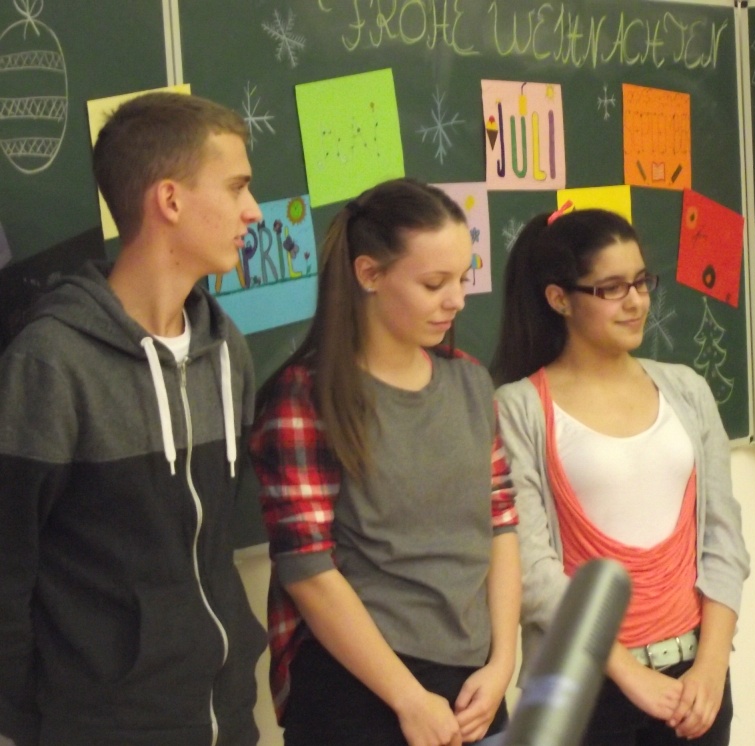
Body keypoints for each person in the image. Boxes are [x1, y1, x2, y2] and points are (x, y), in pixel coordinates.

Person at [0, 92, 267, 745]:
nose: (254, 211)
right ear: (169, 200)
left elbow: (217, 539)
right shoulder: (51, 363)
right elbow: (8, 568)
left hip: (226, 719)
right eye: (237, 187)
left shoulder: (225, 350)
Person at [249, 177, 519, 746]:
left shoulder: (470, 380)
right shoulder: (307, 395)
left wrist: (502, 664)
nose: (457, 300)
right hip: (360, 688)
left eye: (463, 278)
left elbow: (501, 522)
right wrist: (407, 698)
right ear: (369, 274)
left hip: (472, 684)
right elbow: (307, 569)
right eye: (434, 283)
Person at [492, 207, 750, 745]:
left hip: (693, 683)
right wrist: (631, 675)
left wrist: (711, 666)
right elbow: (530, 568)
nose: (636, 301)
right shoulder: (519, 408)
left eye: (640, 281)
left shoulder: (687, 390)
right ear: (559, 299)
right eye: (611, 288)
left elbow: (723, 536)